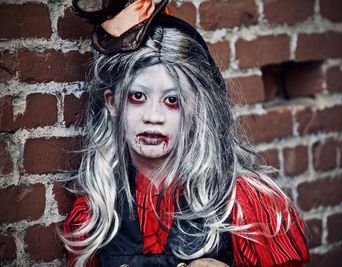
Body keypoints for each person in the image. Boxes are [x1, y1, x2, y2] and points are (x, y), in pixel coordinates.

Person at [60, 0, 310, 266]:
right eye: (138, 96)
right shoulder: (96, 212)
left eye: (173, 101)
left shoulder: (244, 203)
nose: (153, 117)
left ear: (196, 108)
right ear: (112, 102)